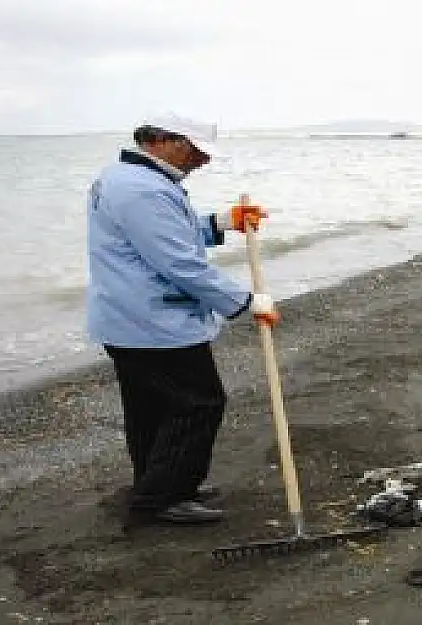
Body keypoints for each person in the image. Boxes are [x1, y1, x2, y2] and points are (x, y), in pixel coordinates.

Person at [86, 113, 280, 525]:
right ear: (162, 141)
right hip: (153, 323)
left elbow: (173, 233)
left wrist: (222, 222)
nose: (202, 161)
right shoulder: (142, 190)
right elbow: (179, 263)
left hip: (129, 319)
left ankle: (158, 483)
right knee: (198, 403)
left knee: (150, 409)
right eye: (196, 150)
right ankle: (163, 498)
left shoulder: (127, 178)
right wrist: (246, 302)